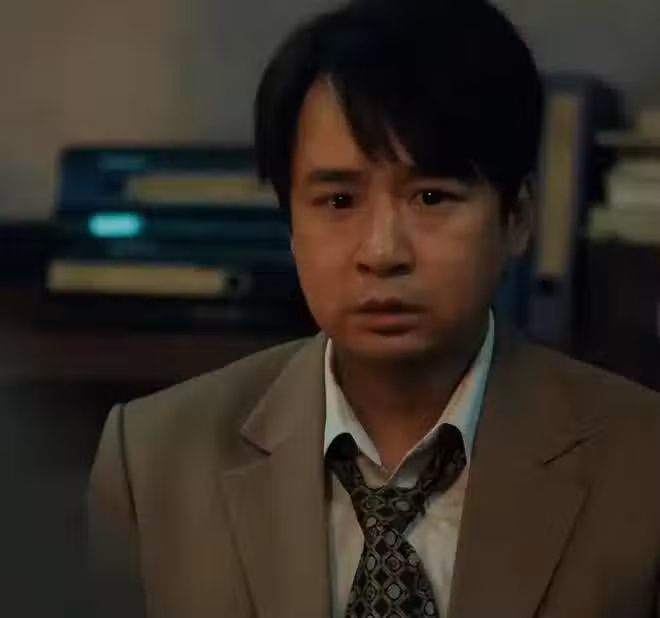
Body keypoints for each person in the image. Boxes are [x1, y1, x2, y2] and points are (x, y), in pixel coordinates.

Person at [88, 0, 660, 616]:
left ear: (516, 219)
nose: (382, 252)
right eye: (338, 201)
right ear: (290, 223)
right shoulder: (150, 461)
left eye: (432, 197)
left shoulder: (642, 462)